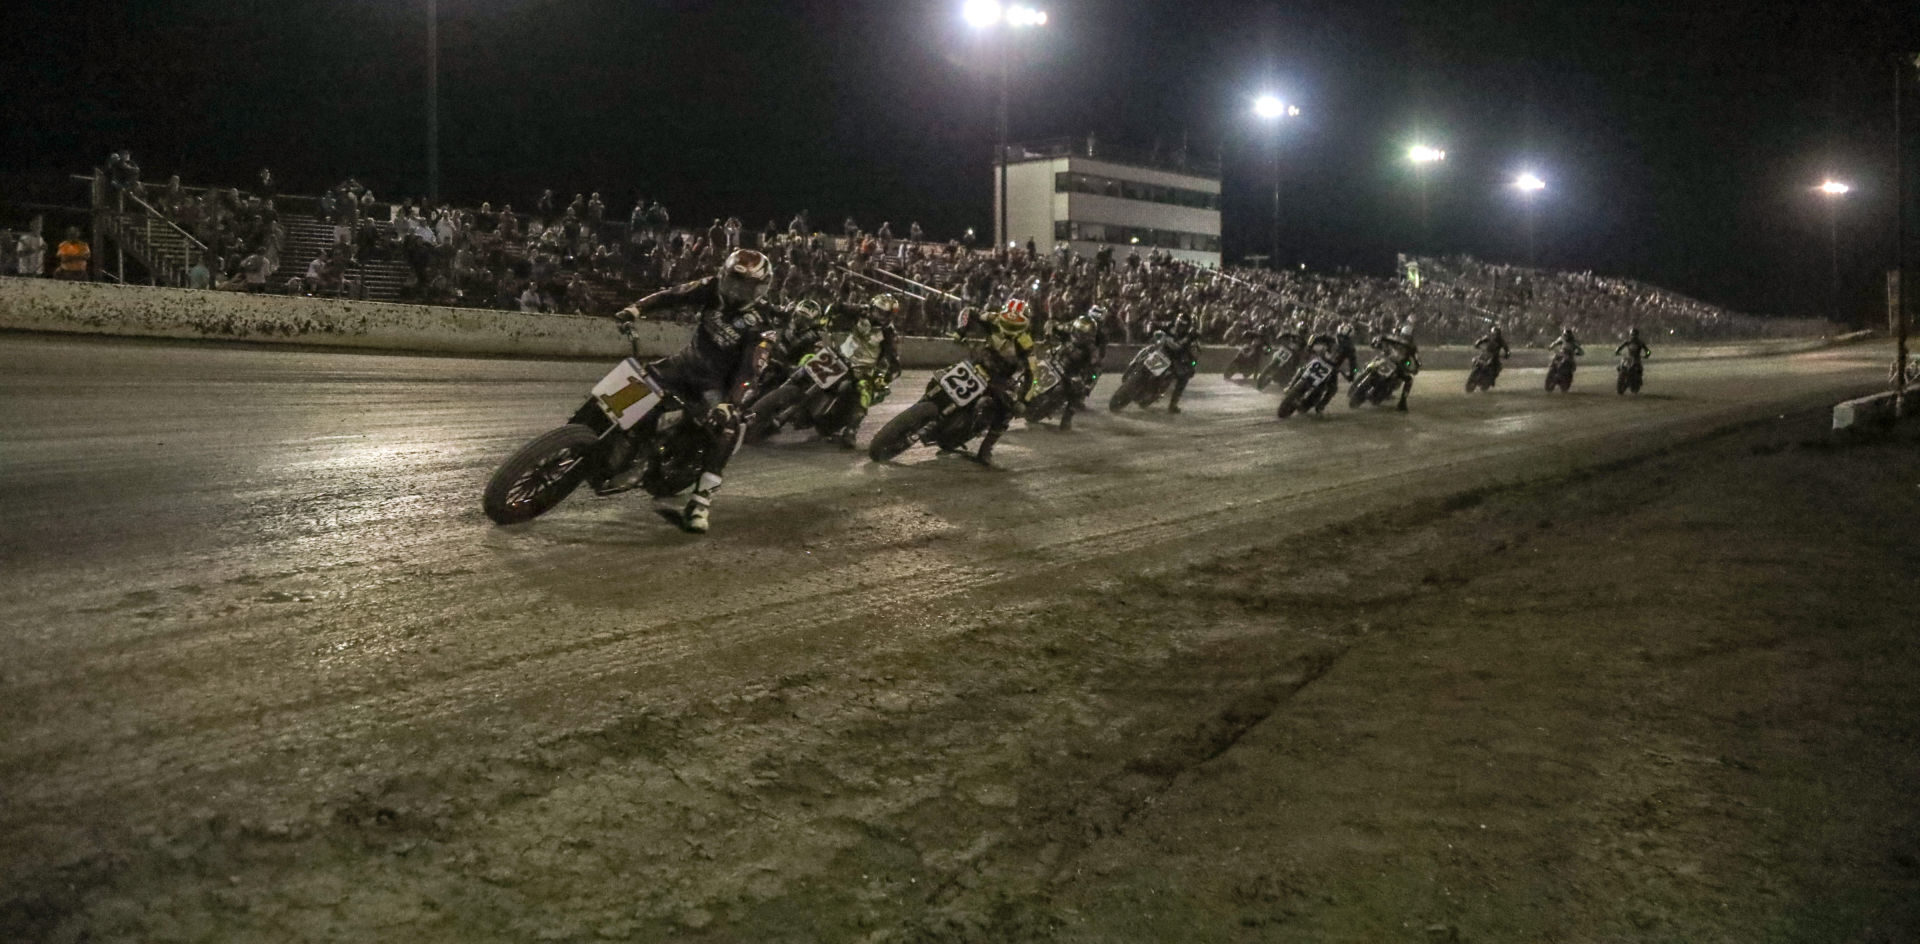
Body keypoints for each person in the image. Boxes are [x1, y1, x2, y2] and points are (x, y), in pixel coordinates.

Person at [611, 248, 777, 534]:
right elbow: (672, 295)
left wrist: (731, 403)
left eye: (746, 286)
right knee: (625, 387)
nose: (737, 291)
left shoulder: (763, 325)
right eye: (734, 281)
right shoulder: (711, 287)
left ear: (761, 288)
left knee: (730, 428)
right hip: (683, 363)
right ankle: (590, 427)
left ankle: (700, 502)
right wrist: (635, 309)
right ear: (724, 275)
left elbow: (751, 372)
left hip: (714, 388)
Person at [953, 299, 1039, 466]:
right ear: (1002, 316)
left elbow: (1032, 372)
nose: (1009, 329)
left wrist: (1024, 401)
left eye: (1015, 326)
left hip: (1001, 378)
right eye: (1007, 323)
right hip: (978, 362)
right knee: (948, 373)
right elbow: (968, 311)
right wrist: (961, 331)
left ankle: (986, 449)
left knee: (1007, 410)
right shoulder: (992, 319)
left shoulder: (1026, 344)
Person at [824, 293, 904, 447]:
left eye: (884, 313)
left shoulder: (889, 333)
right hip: (842, 355)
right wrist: (829, 315)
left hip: (863, 369)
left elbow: (891, 360)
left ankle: (851, 430)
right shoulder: (861, 311)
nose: (879, 315)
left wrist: (881, 377)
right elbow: (839, 306)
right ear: (872, 307)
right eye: (877, 310)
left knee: (864, 391)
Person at [1046, 314, 1103, 430]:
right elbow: (1052, 324)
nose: (1079, 335)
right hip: (1054, 360)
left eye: (1083, 333)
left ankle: (1067, 418)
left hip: (1072, 373)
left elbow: (1096, 370)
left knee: (1078, 391)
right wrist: (1049, 331)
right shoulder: (1068, 330)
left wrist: (1088, 384)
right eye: (1078, 331)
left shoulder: (1092, 350)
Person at [1145, 312, 1201, 413]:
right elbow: (1156, 324)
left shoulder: (1192, 338)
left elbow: (1195, 355)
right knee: (1148, 352)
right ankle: (1135, 369)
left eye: (1183, 325)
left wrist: (1192, 365)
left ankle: (1173, 404)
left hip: (1175, 360)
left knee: (1184, 378)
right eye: (1179, 323)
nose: (1180, 326)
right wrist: (1150, 328)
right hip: (1162, 353)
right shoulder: (1169, 325)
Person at [1311, 321, 1362, 413]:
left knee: (1332, 389)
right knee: (1332, 389)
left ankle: (1320, 406)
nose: (1342, 340)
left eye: (1344, 338)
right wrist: (1352, 374)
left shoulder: (1333, 338)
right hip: (1326, 364)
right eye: (1342, 337)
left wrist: (1353, 373)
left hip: (1329, 367)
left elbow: (1353, 365)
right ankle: (1320, 406)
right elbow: (1353, 365)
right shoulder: (1349, 347)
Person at [1372, 322, 1421, 411]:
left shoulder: (1395, 338)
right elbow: (1417, 360)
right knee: (1409, 380)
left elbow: (1381, 338)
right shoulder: (1412, 346)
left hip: (1391, 362)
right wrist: (1416, 367)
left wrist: (1376, 342)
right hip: (1394, 364)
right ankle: (1402, 402)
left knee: (1376, 361)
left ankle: (1397, 399)